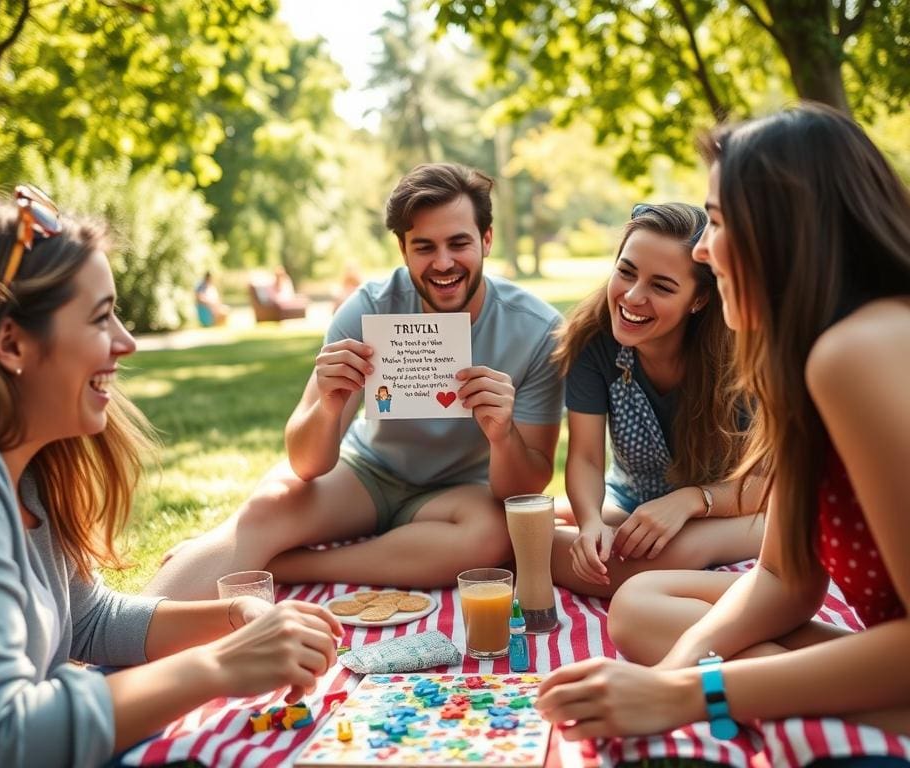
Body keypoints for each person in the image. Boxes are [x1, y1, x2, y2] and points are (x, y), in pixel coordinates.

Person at [535, 104, 910, 746]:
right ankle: (811, 691)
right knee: (638, 608)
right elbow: (783, 580)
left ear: (782, 229)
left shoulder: (859, 351)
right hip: (882, 654)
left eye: (715, 222)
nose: (705, 251)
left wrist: (685, 692)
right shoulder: (802, 360)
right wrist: (674, 676)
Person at [0, 188, 342, 766]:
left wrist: (231, 619)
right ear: (11, 343)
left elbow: (87, 619)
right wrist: (219, 666)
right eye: (100, 318)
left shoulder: (28, 469)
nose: (126, 344)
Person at [145, 163, 564, 599]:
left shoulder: (538, 331)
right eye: (424, 247)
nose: (443, 263)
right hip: (368, 472)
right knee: (270, 503)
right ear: (403, 249)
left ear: (487, 240)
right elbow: (305, 464)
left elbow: (524, 489)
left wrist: (502, 434)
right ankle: (125, 628)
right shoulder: (367, 309)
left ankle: (291, 565)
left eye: (459, 243)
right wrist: (329, 404)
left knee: (492, 538)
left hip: (462, 492)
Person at [549, 203, 764, 598]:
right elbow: (586, 459)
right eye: (626, 272)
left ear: (698, 300)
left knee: (675, 552)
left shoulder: (740, 360)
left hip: (738, 511)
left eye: (661, 286)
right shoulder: (593, 342)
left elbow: (767, 486)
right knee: (522, 526)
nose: (632, 296)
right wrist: (591, 522)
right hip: (631, 502)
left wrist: (690, 501)